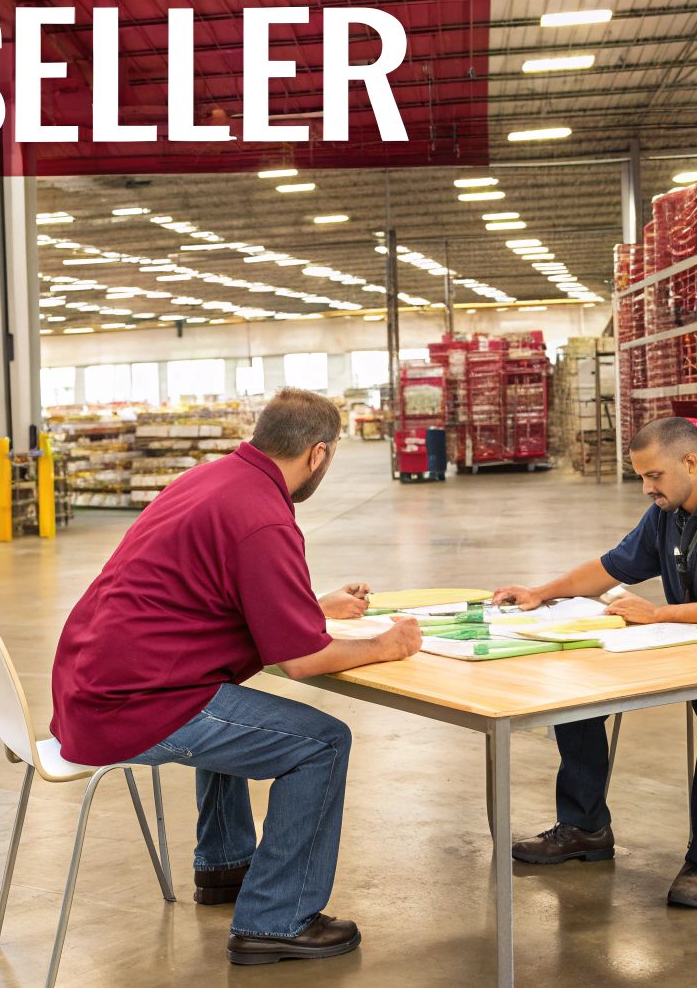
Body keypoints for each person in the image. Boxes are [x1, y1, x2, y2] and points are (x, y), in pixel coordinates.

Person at [49, 387, 422, 966]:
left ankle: (224, 865)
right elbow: (299, 661)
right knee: (323, 743)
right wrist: (386, 643)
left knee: (235, 702)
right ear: (318, 454)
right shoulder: (264, 517)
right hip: (135, 706)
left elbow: (215, 595)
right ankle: (276, 919)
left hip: (94, 685)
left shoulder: (212, 479)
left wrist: (309, 606)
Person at [494, 416, 697, 909]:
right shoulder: (668, 512)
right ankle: (585, 826)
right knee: (580, 683)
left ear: (691, 461)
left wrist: (659, 613)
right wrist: (540, 592)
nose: (645, 488)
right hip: (693, 644)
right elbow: (610, 567)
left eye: (653, 475)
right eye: (640, 476)